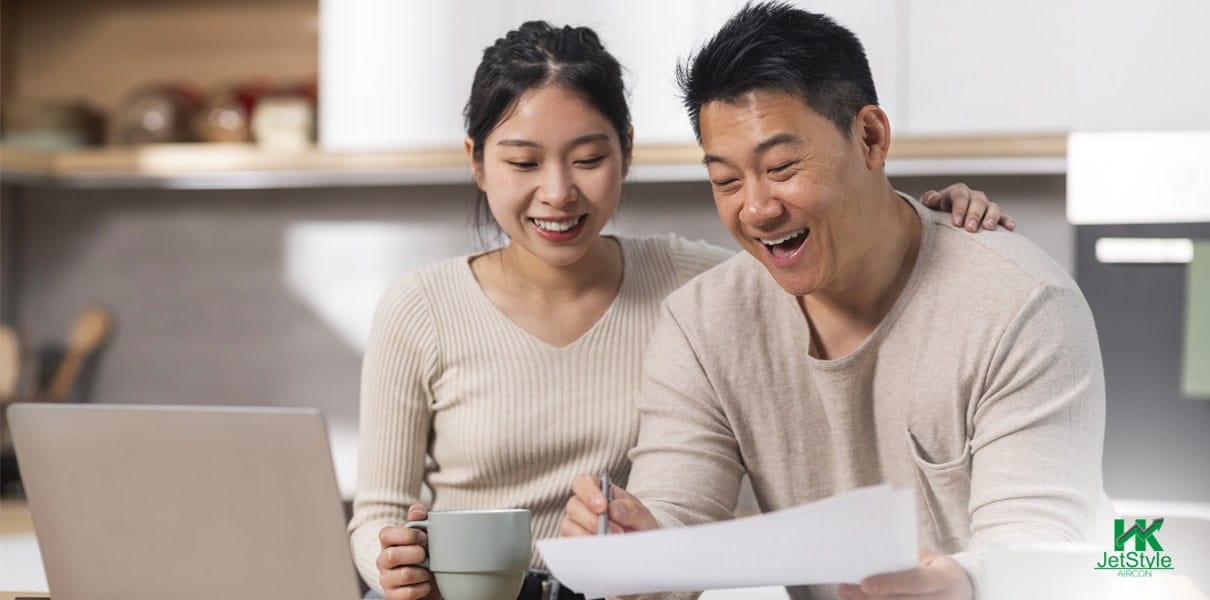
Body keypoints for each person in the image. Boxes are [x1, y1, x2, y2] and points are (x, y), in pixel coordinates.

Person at [350, 19, 1014, 600]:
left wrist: (934, 226)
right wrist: (392, 566)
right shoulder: (420, 309)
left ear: (628, 152)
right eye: (523, 162)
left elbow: (823, 261)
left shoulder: (700, 288)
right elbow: (377, 511)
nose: (557, 193)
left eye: (588, 159)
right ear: (477, 163)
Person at [559, 4, 1106, 600]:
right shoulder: (701, 323)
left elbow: (1041, 553)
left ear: (870, 138)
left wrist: (962, 584)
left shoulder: (1020, 305)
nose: (757, 208)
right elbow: (676, 514)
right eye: (726, 180)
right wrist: (637, 546)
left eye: (783, 166)